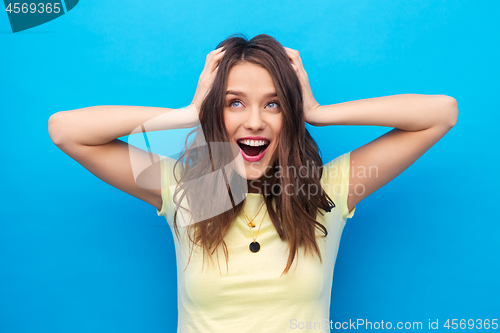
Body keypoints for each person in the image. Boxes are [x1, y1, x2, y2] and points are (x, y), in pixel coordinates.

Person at [48, 33, 458, 332]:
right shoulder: (190, 190)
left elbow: (440, 113)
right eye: (235, 103)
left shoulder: (323, 191)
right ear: (218, 114)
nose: (255, 121)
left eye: (274, 103)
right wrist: (189, 112)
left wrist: (316, 111)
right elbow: (66, 130)